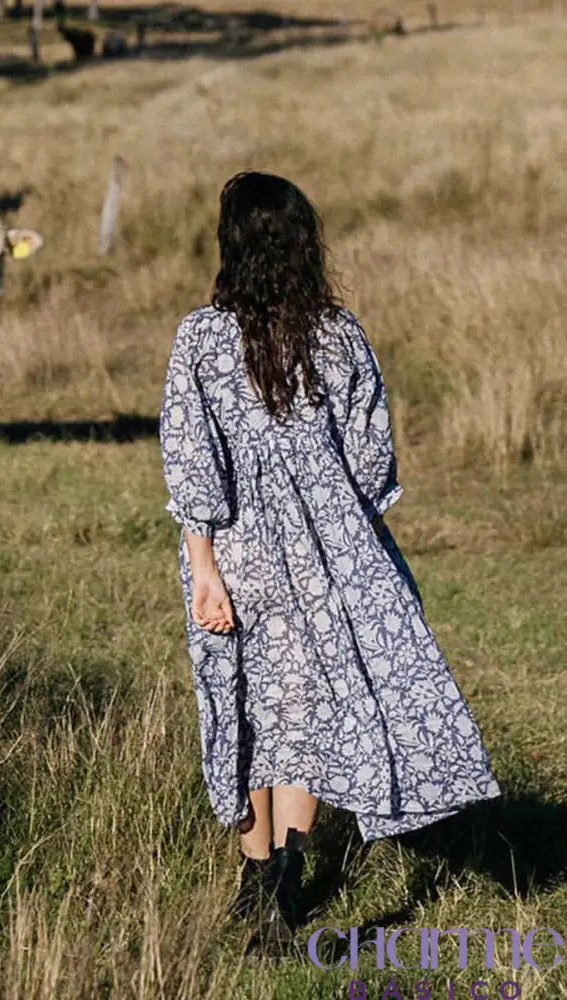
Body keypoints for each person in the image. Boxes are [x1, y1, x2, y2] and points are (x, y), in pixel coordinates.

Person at [158, 171, 500, 954]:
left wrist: (204, 567)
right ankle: (283, 882)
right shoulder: (340, 334)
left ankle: (260, 883)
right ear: (305, 244)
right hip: (329, 554)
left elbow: (191, 465)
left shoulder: (201, 339)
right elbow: (373, 464)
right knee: (307, 715)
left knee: (245, 708)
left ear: (232, 245)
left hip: (236, 552)